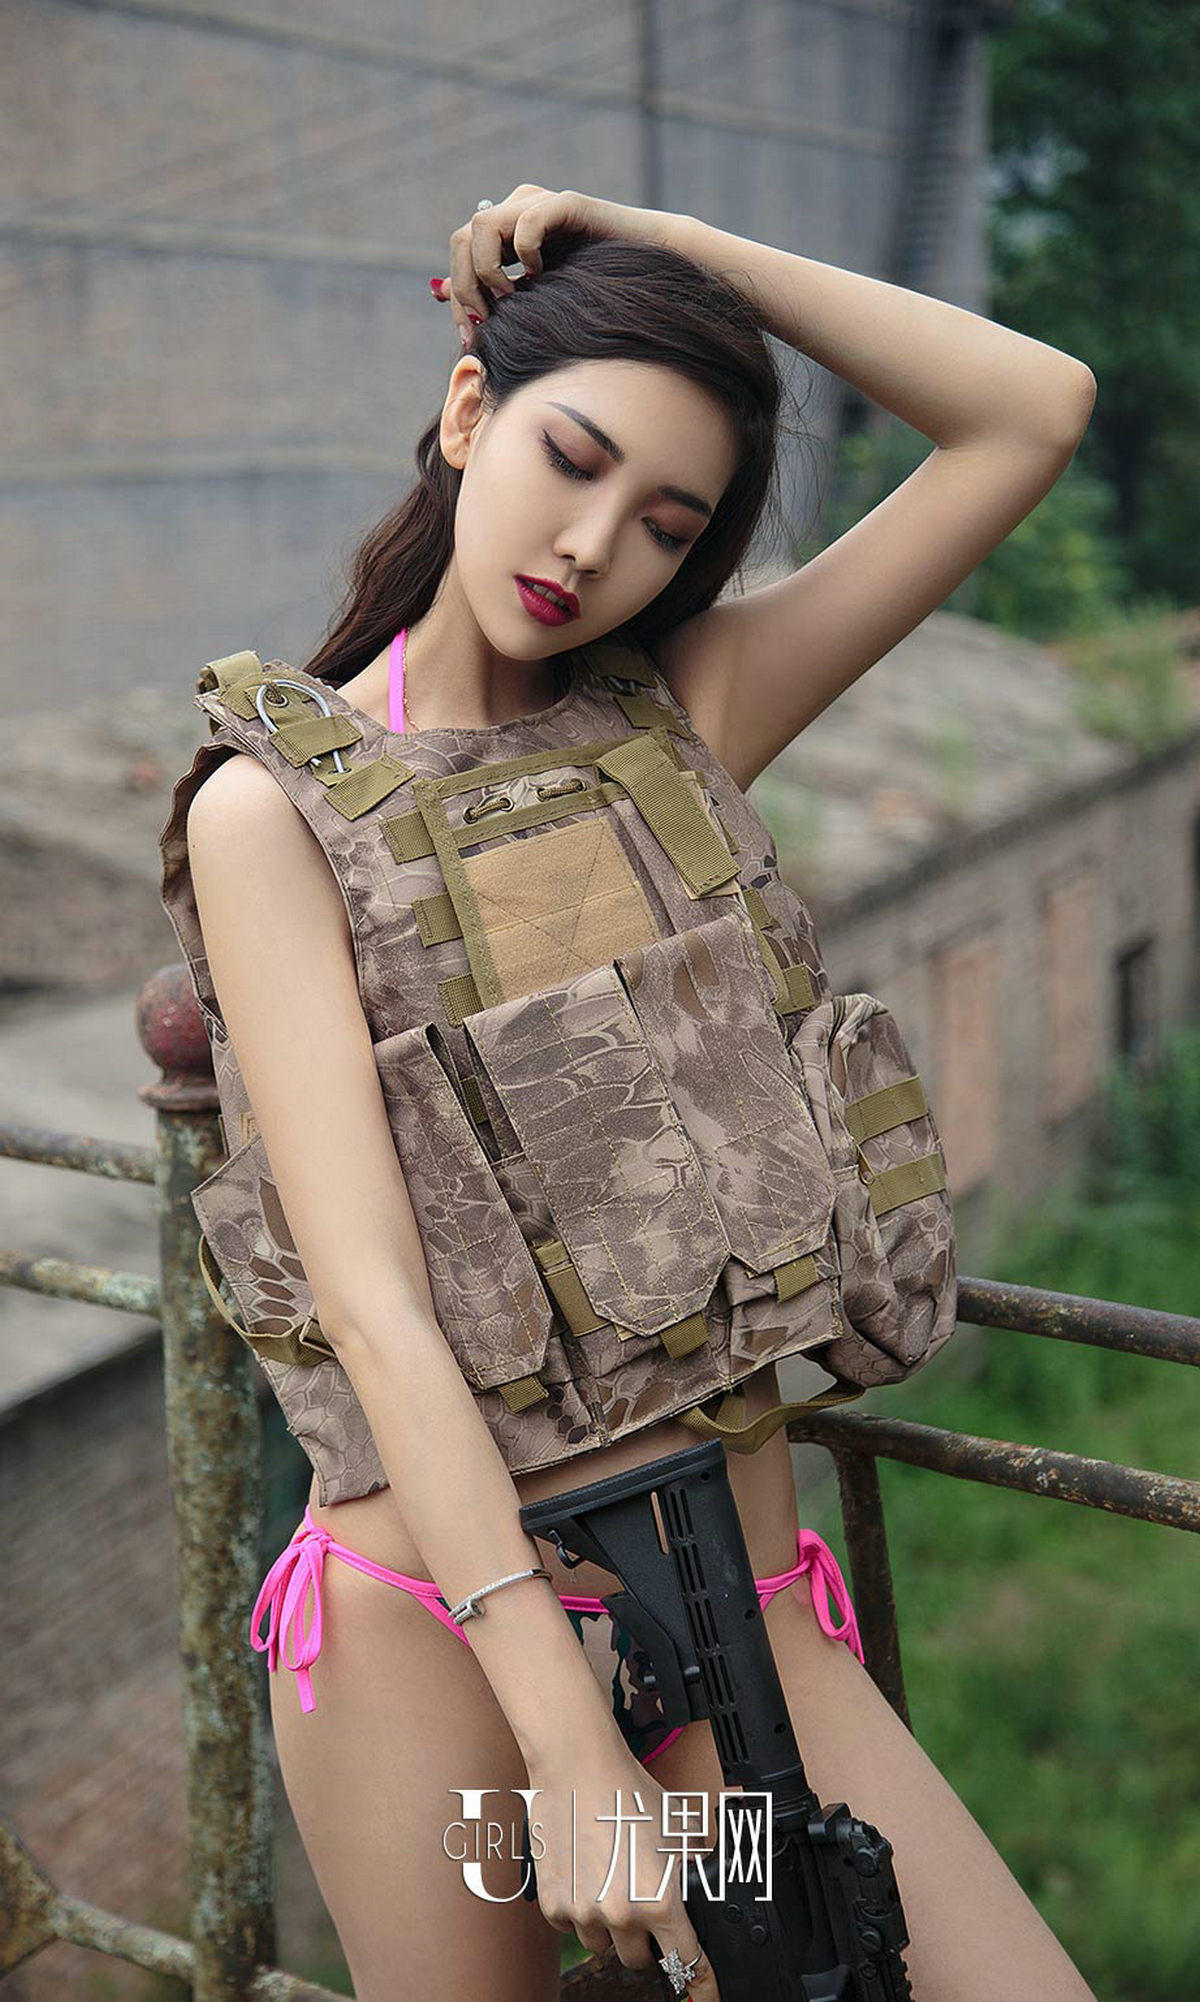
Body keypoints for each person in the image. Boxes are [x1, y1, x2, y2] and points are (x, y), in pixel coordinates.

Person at [182, 186, 1099, 2002]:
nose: (594, 545)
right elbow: (369, 1300)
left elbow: (1031, 409)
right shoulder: (271, 814)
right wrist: (564, 1744)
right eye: (573, 460)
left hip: (737, 1642)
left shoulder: (681, 720)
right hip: (441, 1653)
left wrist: (657, 242)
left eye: (667, 523)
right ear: (469, 411)